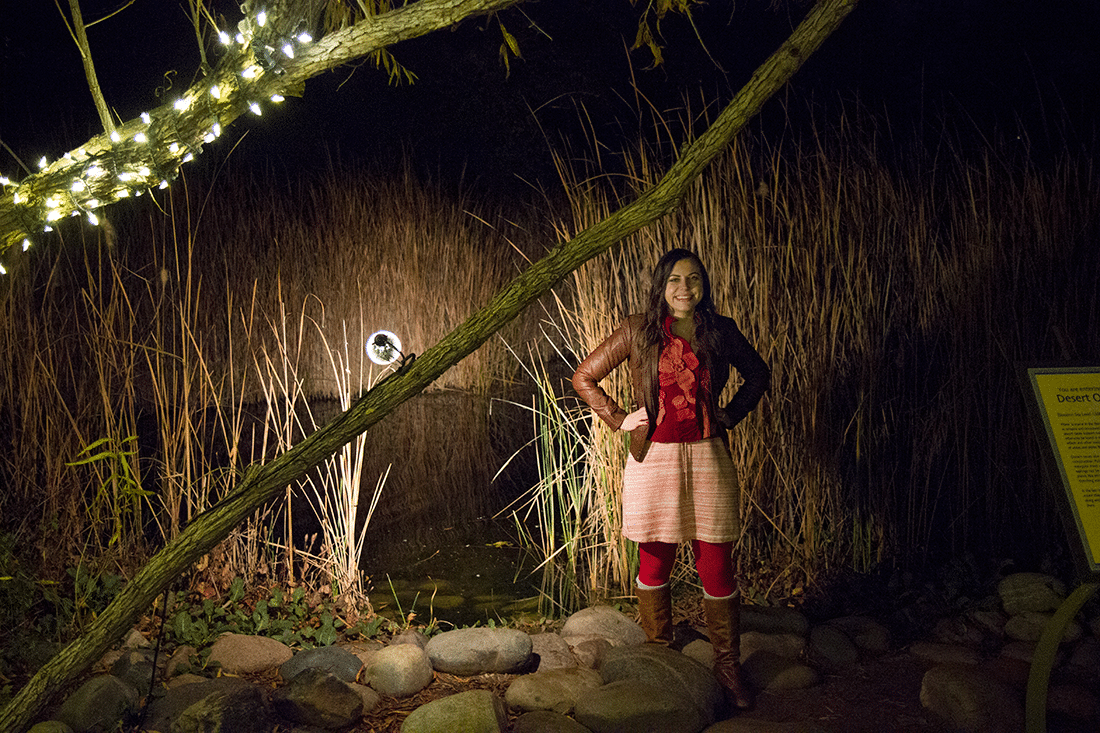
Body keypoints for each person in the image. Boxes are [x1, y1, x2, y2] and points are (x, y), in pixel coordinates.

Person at [572, 248, 770, 710]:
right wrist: (620, 418)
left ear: (704, 286)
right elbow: (584, 377)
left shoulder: (720, 331)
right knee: (654, 553)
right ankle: (660, 654)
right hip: (654, 456)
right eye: (675, 279)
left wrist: (731, 413)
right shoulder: (636, 330)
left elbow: (758, 373)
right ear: (661, 286)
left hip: (707, 452)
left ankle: (726, 664)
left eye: (694, 279)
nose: (685, 288)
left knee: (716, 555)